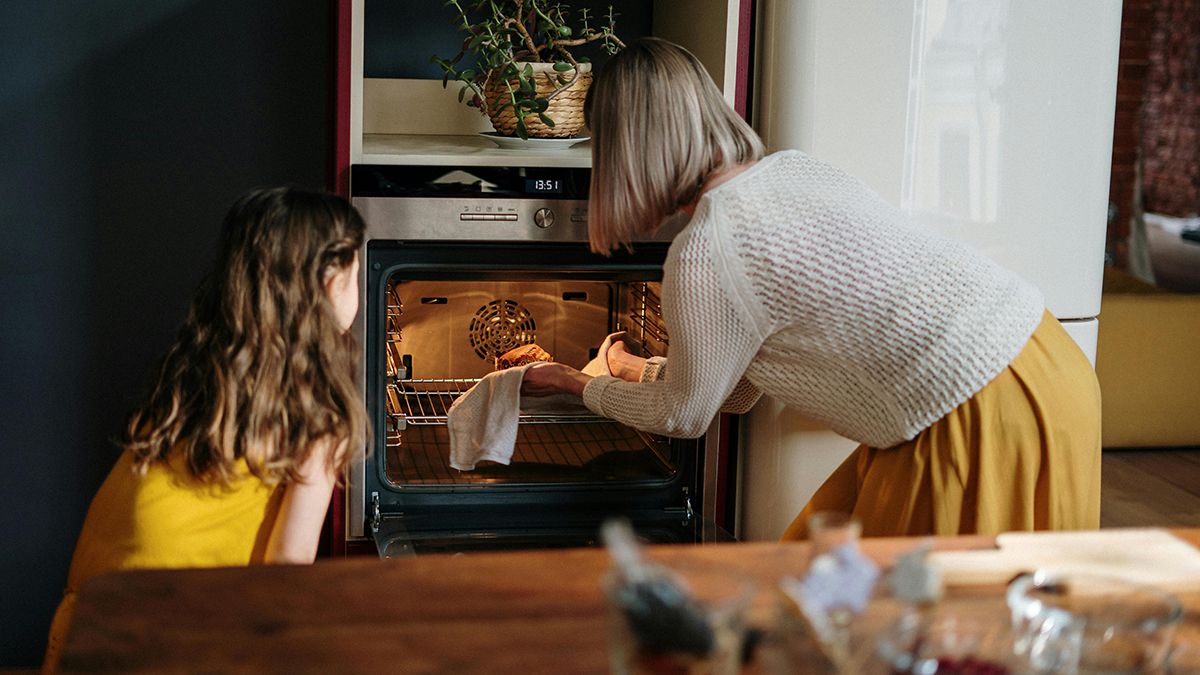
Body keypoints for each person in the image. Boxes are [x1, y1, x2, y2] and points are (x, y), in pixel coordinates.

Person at [522, 38, 1101, 540]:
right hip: (1047, 365)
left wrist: (574, 384)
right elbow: (737, 390)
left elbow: (684, 416)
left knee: (916, 633)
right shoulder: (797, 170)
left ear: (628, 150)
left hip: (972, 417)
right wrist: (625, 369)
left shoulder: (706, 248)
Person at [42, 187, 367, 671]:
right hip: (186, 629)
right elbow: (288, 564)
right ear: (327, 282)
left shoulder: (199, 365)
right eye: (357, 272)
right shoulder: (319, 410)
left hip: (95, 614)